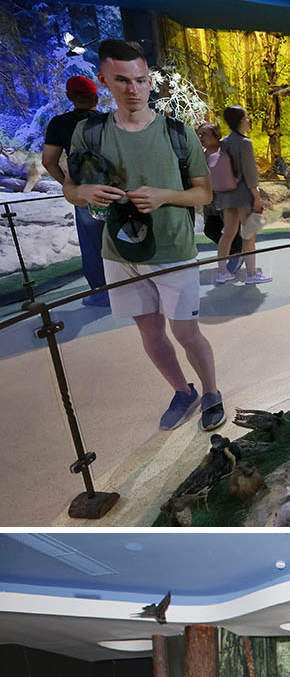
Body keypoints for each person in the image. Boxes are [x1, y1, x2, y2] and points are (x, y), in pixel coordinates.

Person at [64, 37, 225, 435]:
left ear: (149, 80)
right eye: (122, 81)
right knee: (148, 329)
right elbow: (72, 187)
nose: (133, 90)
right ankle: (181, 390)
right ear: (104, 80)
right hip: (119, 251)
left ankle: (211, 392)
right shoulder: (91, 133)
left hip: (173, 248)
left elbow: (204, 192)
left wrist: (165, 196)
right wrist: (83, 193)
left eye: (139, 80)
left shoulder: (178, 133)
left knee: (185, 330)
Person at [40, 71, 110, 307]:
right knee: (121, 235)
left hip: (84, 190)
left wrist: (68, 184)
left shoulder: (59, 123)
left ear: (70, 96)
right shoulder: (108, 120)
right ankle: (130, 287)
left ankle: (102, 294)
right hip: (113, 187)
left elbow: (49, 160)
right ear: (95, 98)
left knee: (92, 243)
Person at [214, 106, 271, 292]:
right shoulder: (245, 143)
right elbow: (250, 174)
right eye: (246, 117)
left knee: (228, 233)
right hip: (244, 196)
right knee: (249, 235)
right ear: (240, 121)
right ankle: (252, 274)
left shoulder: (224, 142)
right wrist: (257, 197)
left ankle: (222, 272)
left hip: (227, 196)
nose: (248, 120)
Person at [197, 120, 242, 268]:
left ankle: (236, 254)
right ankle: (235, 251)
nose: (200, 137)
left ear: (215, 135)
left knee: (232, 229)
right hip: (211, 202)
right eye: (199, 134)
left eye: (204, 134)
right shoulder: (200, 156)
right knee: (210, 230)